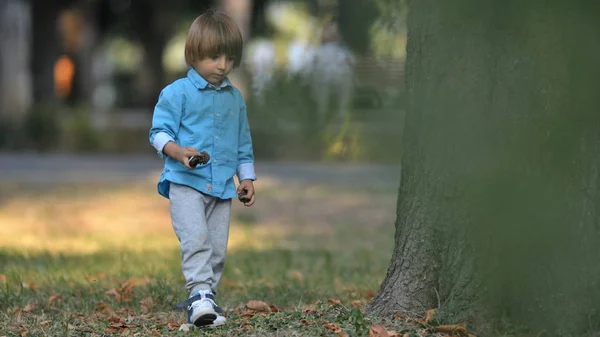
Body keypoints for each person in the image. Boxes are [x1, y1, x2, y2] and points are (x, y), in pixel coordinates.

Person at [148, 9, 256, 328]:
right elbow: (158, 132)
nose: (222, 65)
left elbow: (242, 142)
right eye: (213, 57)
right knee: (196, 239)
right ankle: (198, 296)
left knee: (217, 249)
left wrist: (246, 176)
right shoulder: (176, 93)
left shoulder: (235, 98)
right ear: (194, 54)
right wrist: (177, 151)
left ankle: (207, 300)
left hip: (222, 187)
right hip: (185, 183)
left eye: (229, 58)